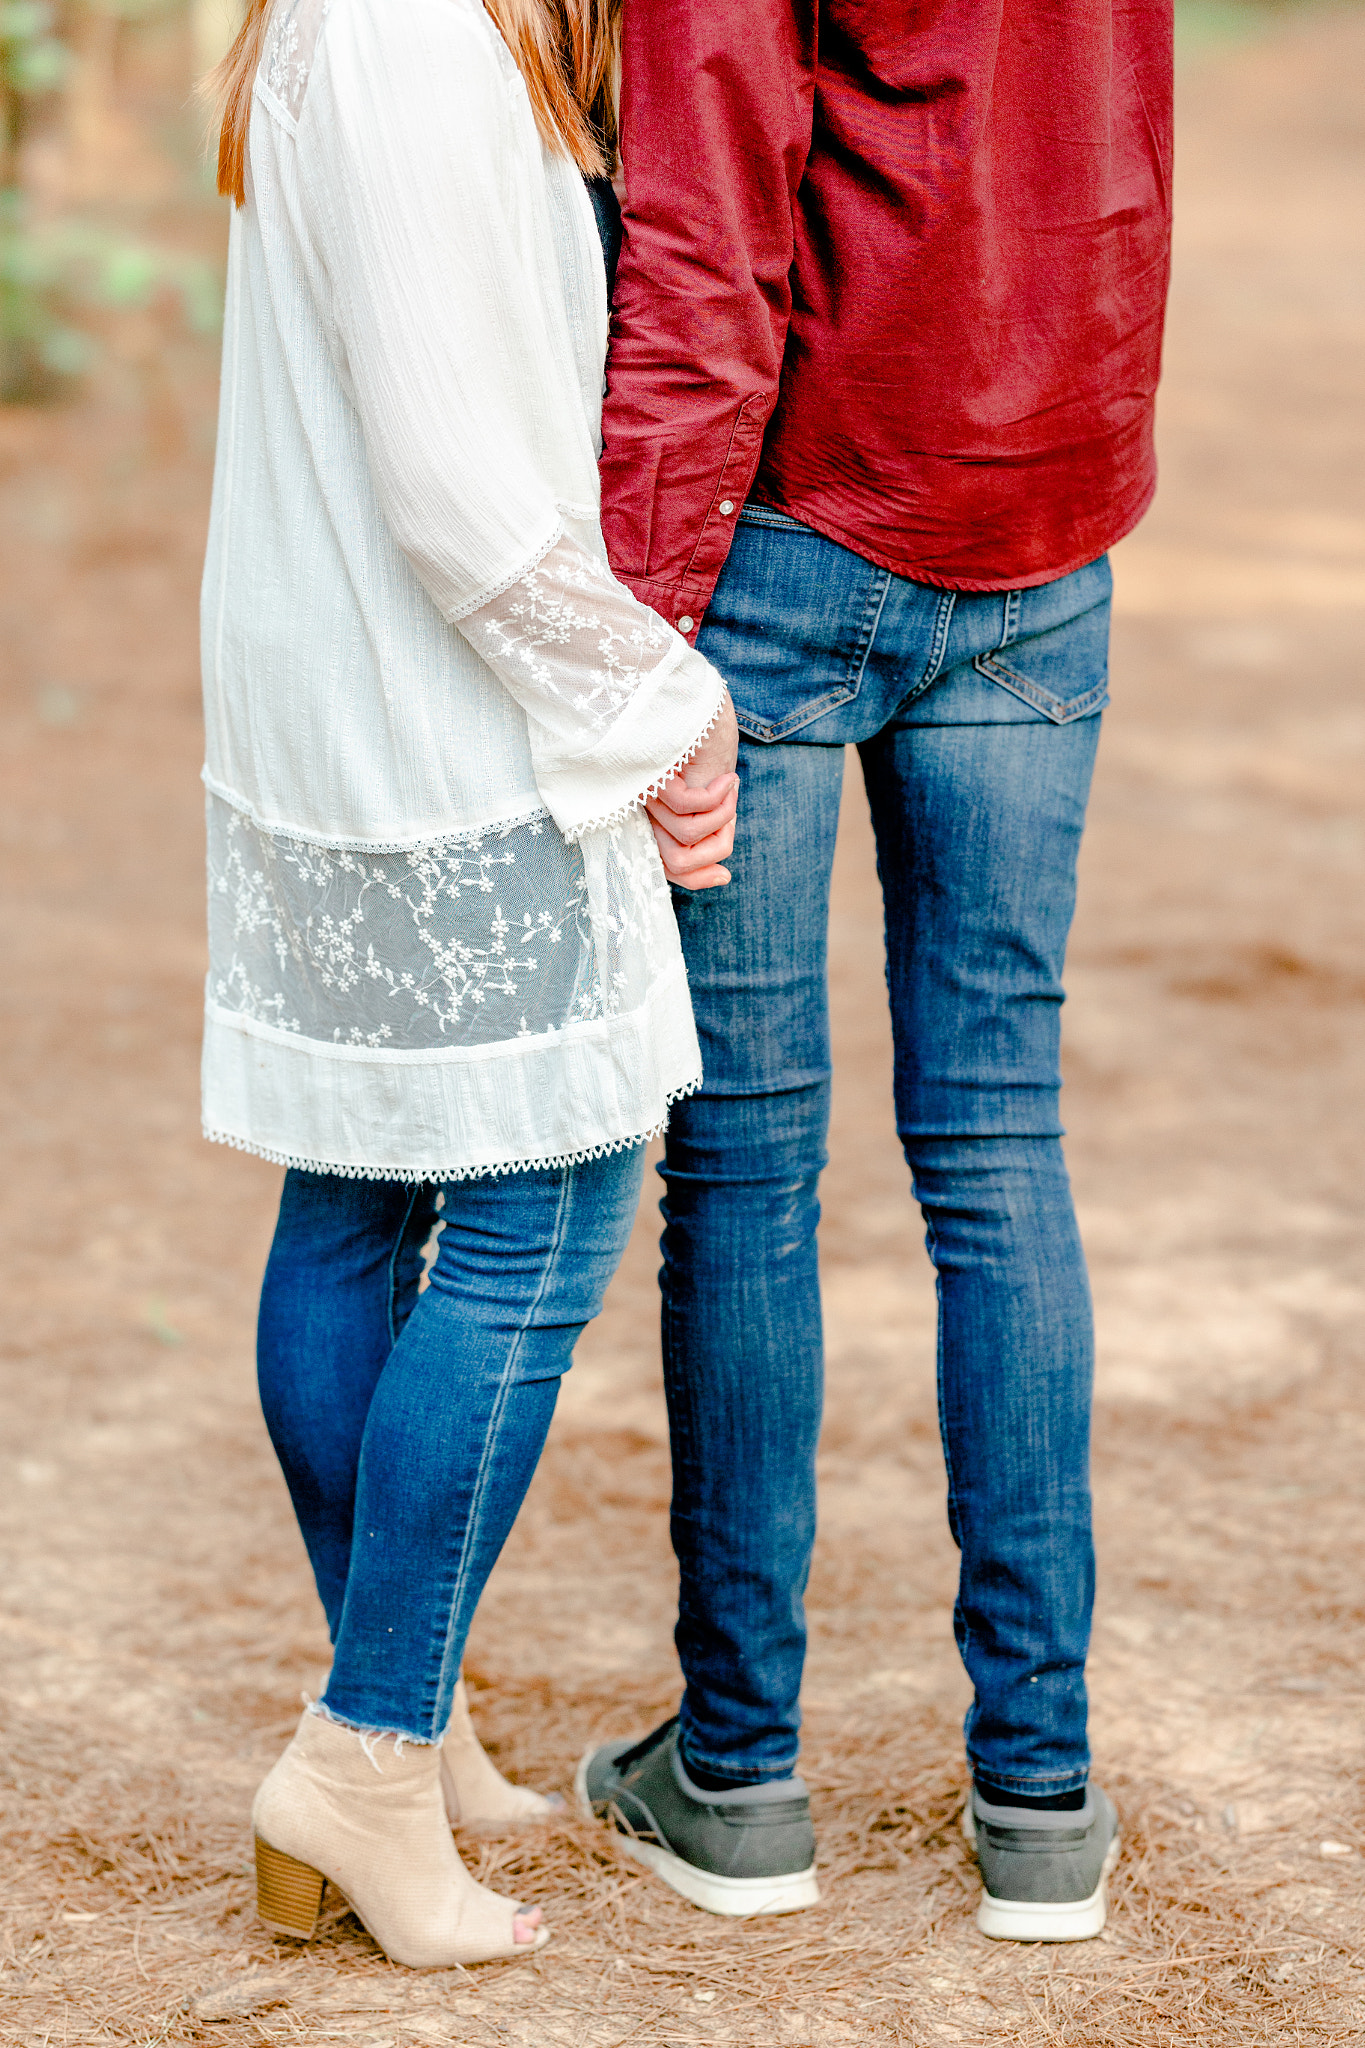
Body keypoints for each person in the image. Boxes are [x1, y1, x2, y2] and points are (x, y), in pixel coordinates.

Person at [578, 0, 1172, 1941]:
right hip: (1039, 509)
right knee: (998, 1144)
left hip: (786, 523)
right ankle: (1038, 1799)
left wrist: (642, 614)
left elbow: (701, 214)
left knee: (742, 1165)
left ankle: (738, 1775)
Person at [199, 0, 738, 1969]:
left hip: (350, 694)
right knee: (553, 1193)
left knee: (355, 1190)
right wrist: (666, 707)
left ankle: (397, 1732)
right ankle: (364, 1748)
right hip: (445, 714)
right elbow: (455, 487)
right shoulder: (419, 30)